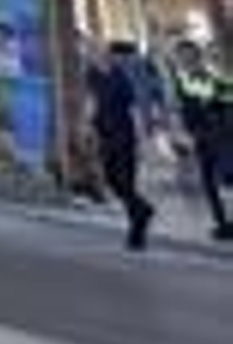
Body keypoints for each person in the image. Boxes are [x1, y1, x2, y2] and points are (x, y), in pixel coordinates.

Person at [85, 38, 156, 249]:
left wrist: (143, 135)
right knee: (111, 179)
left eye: (98, 51)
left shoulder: (121, 75)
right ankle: (142, 210)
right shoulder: (91, 75)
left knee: (126, 181)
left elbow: (134, 106)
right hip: (104, 132)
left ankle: (137, 232)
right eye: (92, 52)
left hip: (125, 132)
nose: (95, 55)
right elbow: (91, 101)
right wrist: (88, 125)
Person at [169, 34, 233, 242]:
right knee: (210, 183)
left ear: (195, 56)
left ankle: (225, 223)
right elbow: (184, 109)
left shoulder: (207, 77)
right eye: (179, 57)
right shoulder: (184, 79)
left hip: (219, 136)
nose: (182, 61)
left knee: (222, 180)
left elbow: (219, 100)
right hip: (202, 137)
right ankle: (222, 223)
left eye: (184, 57)